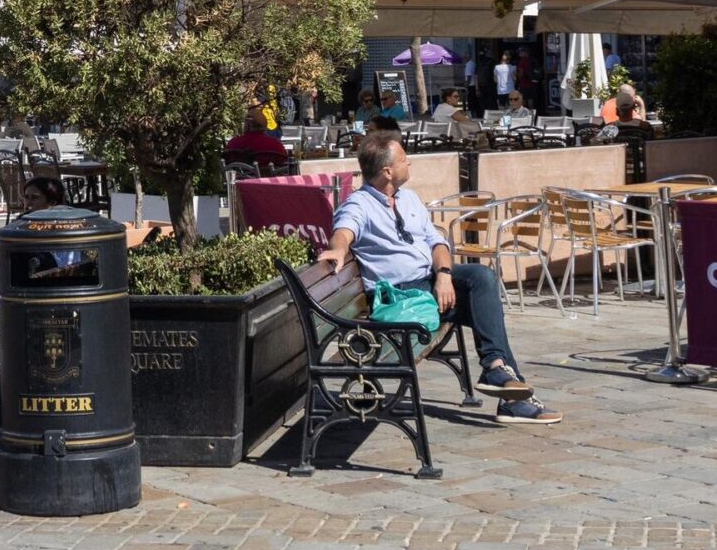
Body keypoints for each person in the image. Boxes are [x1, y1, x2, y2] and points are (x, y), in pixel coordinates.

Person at [317, 131, 556, 424]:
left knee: (481, 279)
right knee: (486, 306)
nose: (410, 163)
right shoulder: (360, 204)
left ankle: (498, 371)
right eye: (405, 159)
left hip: (428, 283)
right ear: (387, 171)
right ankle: (504, 385)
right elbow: (344, 231)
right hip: (403, 297)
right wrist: (337, 250)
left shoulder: (409, 198)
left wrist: (444, 275)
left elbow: (437, 242)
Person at [224, 115, 289, 165]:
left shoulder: (233, 143)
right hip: (269, 181)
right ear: (265, 127)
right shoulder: (276, 145)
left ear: (247, 125)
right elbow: (284, 164)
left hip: (239, 180)